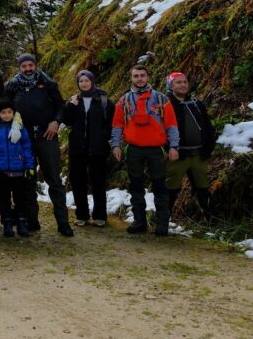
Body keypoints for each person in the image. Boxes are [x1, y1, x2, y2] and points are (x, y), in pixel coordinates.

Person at [5, 54, 74, 237]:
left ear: (35, 65)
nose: (28, 69)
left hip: (46, 136)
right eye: (24, 66)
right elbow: (4, 108)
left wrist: (56, 122)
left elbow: (61, 106)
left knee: (54, 180)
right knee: (28, 180)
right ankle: (31, 220)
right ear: (19, 68)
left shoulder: (48, 83)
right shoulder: (12, 86)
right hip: (24, 139)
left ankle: (63, 222)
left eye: (30, 65)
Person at [111, 65, 179, 236]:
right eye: (136, 76)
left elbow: (171, 125)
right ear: (131, 79)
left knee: (160, 186)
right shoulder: (124, 100)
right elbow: (117, 125)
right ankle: (139, 221)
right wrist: (116, 145)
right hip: (133, 149)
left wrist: (174, 146)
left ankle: (162, 224)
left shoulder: (162, 99)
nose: (139, 79)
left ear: (148, 77)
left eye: (142, 75)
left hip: (156, 149)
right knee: (135, 186)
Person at [63, 70, 113, 227]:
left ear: (92, 81)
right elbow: (67, 121)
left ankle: (100, 215)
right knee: (78, 182)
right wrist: (70, 106)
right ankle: (82, 215)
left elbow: (111, 122)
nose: (84, 84)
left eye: (86, 80)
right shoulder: (74, 100)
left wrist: (103, 136)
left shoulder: (103, 100)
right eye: (81, 81)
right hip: (77, 148)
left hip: (98, 149)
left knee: (98, 182)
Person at [164, 72, 216, 218]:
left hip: (199, 156)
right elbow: (160, 131)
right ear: (170, 86)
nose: (183, 85)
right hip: (177, 156)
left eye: (185, 82)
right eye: (178, 82)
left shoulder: (197, 105)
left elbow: (208, 128)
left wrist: (208, 149)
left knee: (203, 188)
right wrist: (170, 148)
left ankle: (211, 221)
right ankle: (162, 221)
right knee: (170, 189)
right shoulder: (165, 106)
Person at [0, 99, 35, 237]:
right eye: (3, 112)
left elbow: (27, 147)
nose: (6, 115)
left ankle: (21, 222)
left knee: (20, 198)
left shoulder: (19, 127)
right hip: (1, 170)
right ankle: (7, 223)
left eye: (9, 112)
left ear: (13, 113)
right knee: (4, 198)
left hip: (18, 169)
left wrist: (29, 165)